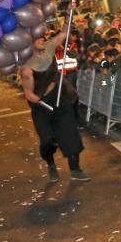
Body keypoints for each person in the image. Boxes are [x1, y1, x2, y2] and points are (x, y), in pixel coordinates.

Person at [20, 26, 90, 182]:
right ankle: (51, 166)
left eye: (42, 37)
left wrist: (68, 13)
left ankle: (76, 169)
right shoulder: (27, 68)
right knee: (47, 141)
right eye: (38, 38)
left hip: (61, 101)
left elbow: (64, 33)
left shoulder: (49, 48)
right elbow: (29, 95)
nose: (43, 40)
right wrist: (44, 94)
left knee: (70, 136)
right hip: (42, 108)